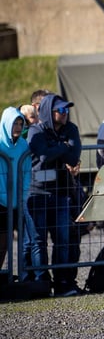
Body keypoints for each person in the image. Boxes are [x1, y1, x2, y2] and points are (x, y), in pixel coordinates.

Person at [27, 94, 83, 296]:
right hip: (37, 193)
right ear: (49, 112)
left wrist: (56, 150)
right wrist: (63, 147)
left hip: (61, 192)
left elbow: (74, 156)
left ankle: (62, 284)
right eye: (61, 110)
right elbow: (42, 155)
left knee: (62, 239)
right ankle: (41, 284)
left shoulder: (71, 129)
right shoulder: (36, 129)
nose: (65, 113)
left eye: (67, 110)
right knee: (38, 241)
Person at [0, 107, 33, 284]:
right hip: (0, 203)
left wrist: (22, 196)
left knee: (20, 243)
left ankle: (24, 277)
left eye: (21, 123)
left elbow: (27, 172)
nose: (18, 127)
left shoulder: (23, 145)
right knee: (2, 243)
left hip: (18, 202)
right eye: (15, 123)